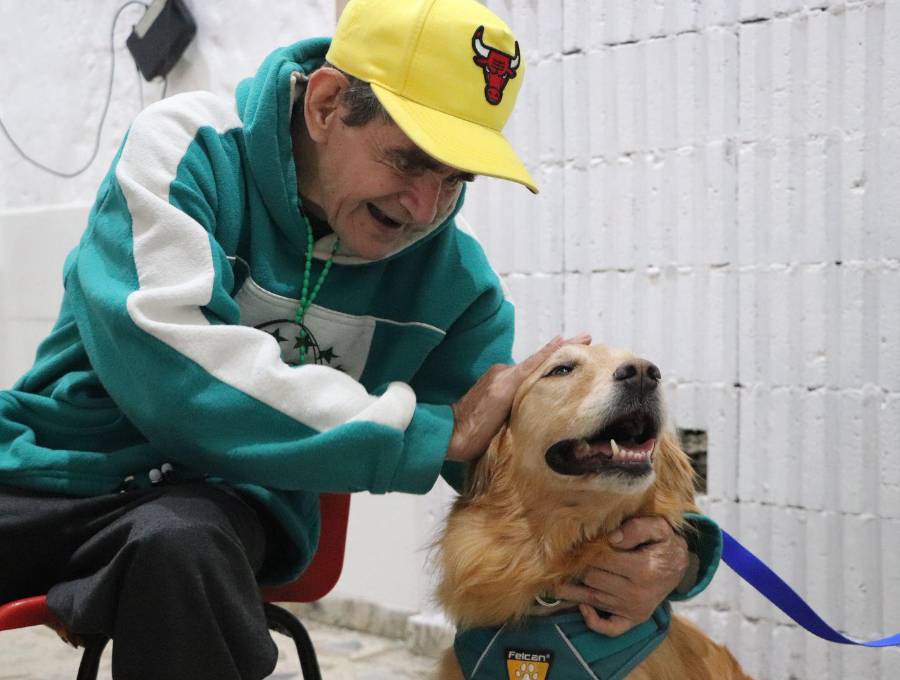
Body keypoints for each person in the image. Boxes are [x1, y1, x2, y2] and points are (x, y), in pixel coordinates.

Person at [0, 0, 719, 678]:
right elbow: (171, 377)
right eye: (407, 161)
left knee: (181, 543)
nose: (424, 207)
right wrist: (427, 434)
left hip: (216, 516)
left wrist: (680, 553)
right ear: (324, 104)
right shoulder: (186, 149)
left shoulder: (460, 290)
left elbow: (514, 468)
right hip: (54, 471)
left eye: (455, 178)